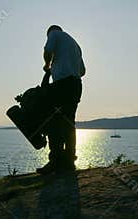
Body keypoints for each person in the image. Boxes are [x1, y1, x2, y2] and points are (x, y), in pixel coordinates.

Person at [36, 25, 86, 174]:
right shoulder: (75, 44)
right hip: (76, 85)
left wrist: (47, 65)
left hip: (62, 85)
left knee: (54, 120)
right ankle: (69, 161)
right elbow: (82, 71)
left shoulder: (54, 34)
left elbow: (47, 51)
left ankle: (55, 161)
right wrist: (68, 69)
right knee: (68, 122)